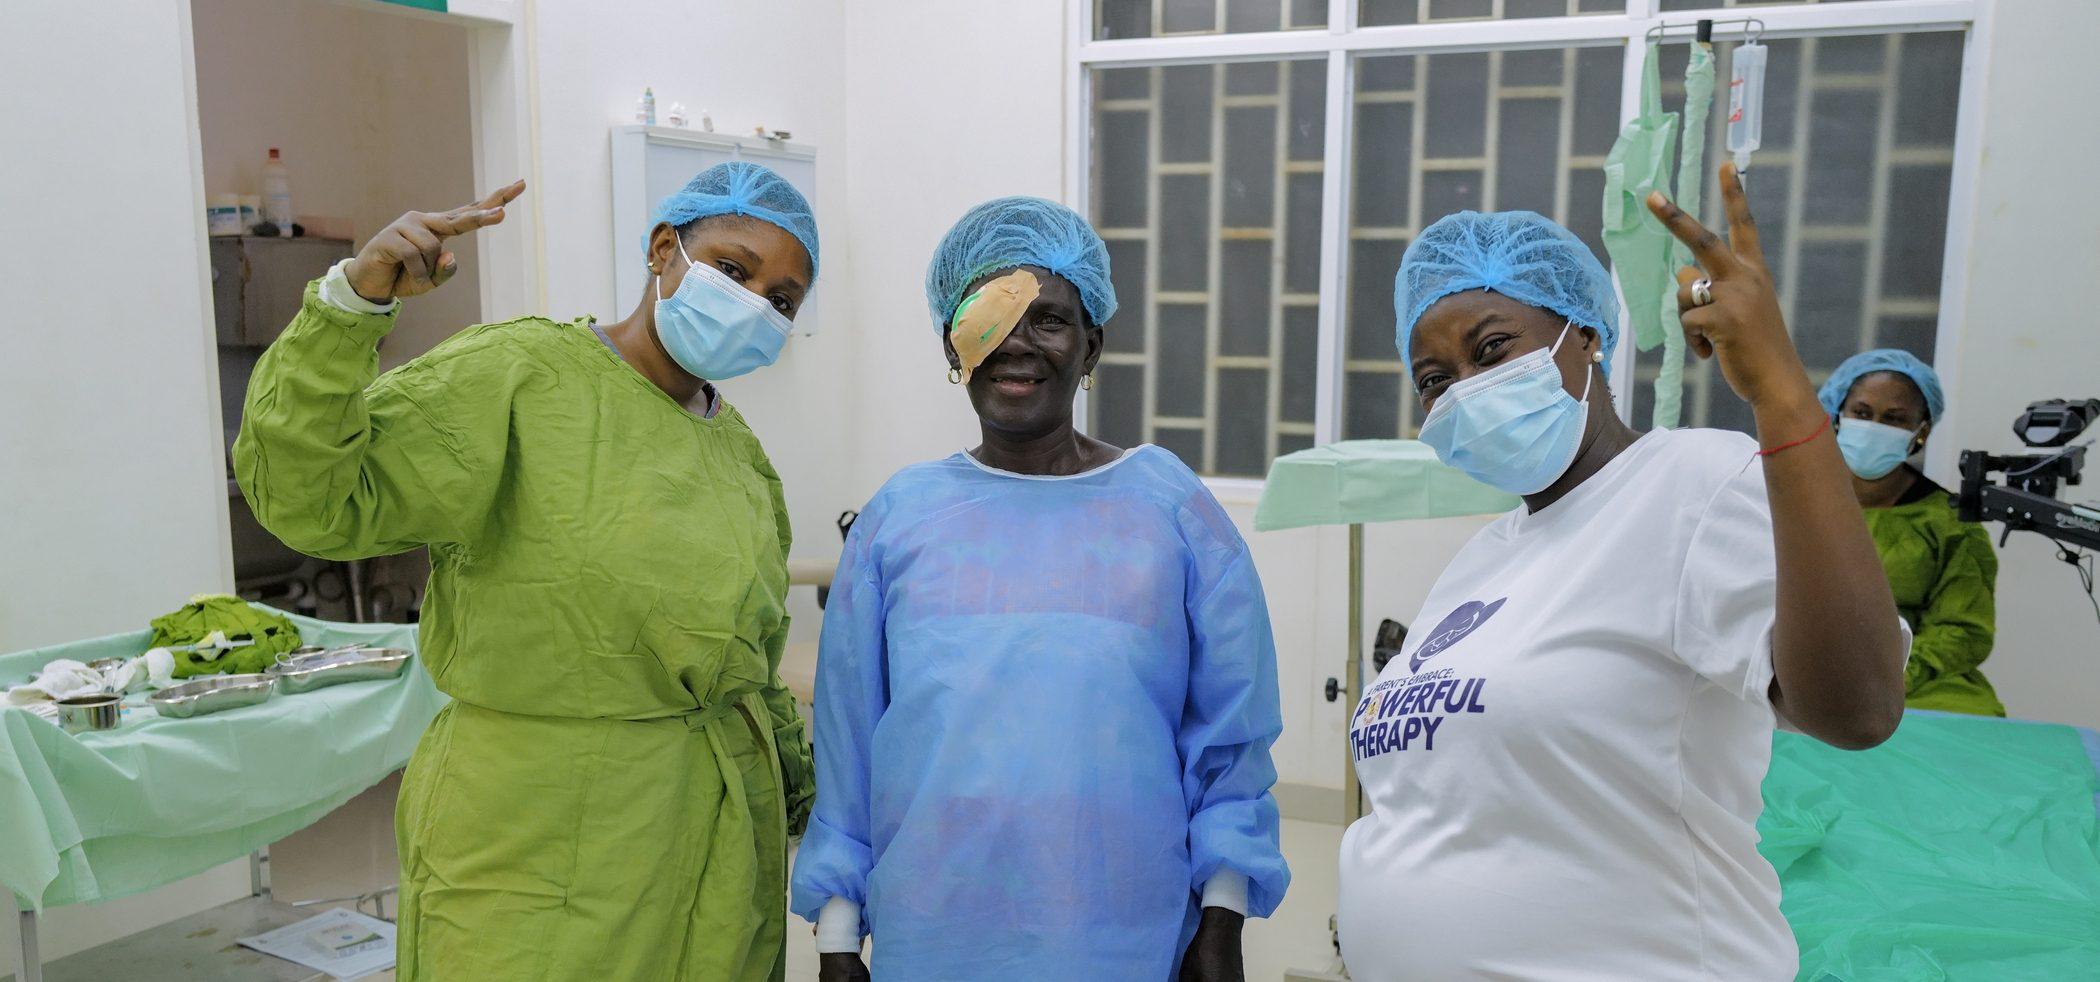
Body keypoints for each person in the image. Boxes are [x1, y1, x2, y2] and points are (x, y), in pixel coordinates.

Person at [234, 162, 820, 981]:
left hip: (710, 852)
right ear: (663, 251)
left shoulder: (739, 455)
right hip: (537, 839)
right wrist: (352, 306)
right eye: (733, 270)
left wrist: (813, 812)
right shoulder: (522, 377)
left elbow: (749, 665)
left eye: (782, 301)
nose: (755, 304)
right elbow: (312, 496)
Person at [1336, 165, 1908, 981]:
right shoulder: (1483, 560)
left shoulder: (1692, 482)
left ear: (1587, 336)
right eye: (1435, 381)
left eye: (1493, 348)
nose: (1467, 388)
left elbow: (1859, 708)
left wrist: (1783, 397)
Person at [789, 197, 1290, 981]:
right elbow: (851, 742)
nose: (1016, 344)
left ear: (1093, 346)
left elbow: (1231, 735)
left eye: (1048, 320)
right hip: (933, 931)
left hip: (1126, 933)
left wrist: (1221, 918)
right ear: (953, 344)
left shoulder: (1169, 507)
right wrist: (836, 932)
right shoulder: (901, 515)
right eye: (988, 319)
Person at [1822, 349, 2003, 716]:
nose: (1873, 426)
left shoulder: (1951, 523)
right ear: (1838, 414)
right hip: (1805, 666)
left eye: (1894, 419)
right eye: (1861, 413)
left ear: (1921, 432)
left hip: (1917, 681)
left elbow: (1964, 630)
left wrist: (1894, 678)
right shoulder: (1791, 504)